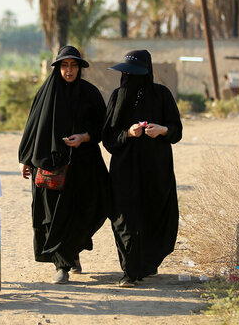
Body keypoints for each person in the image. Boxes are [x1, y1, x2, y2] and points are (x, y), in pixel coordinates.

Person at [18, 45, 110, 285]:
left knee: (83, 211)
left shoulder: (90, 93)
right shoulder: (46, 93)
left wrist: (84, 137)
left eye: (74, 65)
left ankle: (73, 252)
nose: (69, 70)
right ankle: (62, 265)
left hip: (83, 165)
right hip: (50, 167)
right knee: (53, 216)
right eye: (64, 65)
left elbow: (102, 127)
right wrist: (24, 159)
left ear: (80, 68)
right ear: (58, 67)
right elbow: (32, 128)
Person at [102, 50, 183, 288]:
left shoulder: (162, 94)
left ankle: (147, 264)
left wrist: (161, 130)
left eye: (134, 73)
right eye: (127, 73)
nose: (129, 77)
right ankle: (129, 271)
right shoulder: (117, 96)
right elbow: (108, 137)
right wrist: (128, 133)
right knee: (125, 218)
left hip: (156, 170)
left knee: (153, 215)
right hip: (124, 170)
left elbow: (176, 129)